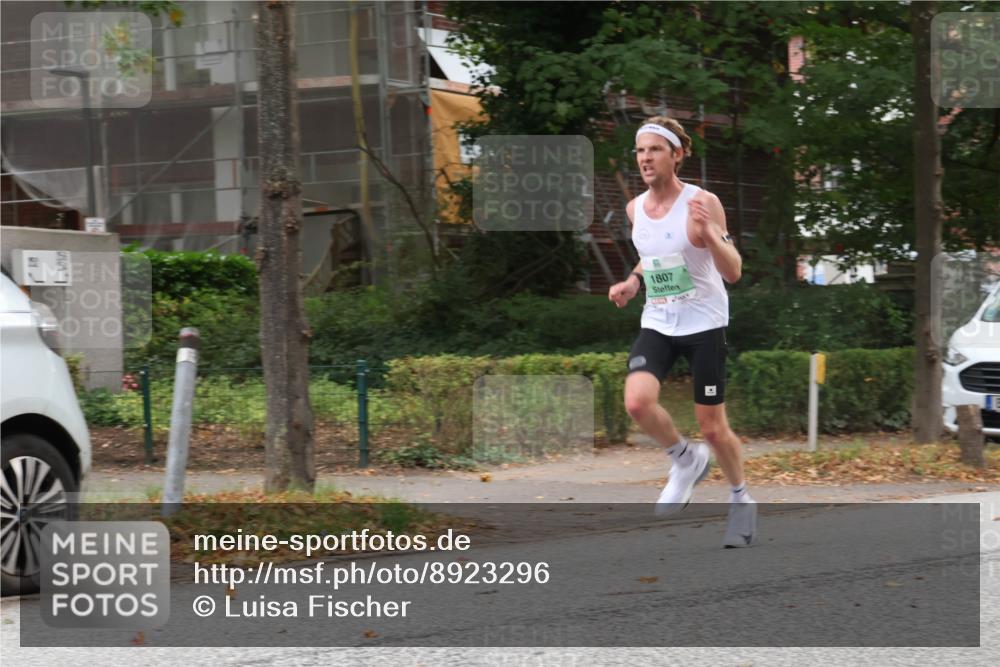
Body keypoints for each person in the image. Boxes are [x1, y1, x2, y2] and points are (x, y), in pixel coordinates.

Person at [608, 116, 756, 548]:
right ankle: (685, 461)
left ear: (677, 154)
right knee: (637, 402)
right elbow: (651, 255)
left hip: (705, 323)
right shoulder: (635, 209)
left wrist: (710, 232)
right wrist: (633, 281)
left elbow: (734, 272)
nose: (645, 158)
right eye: (640, 151)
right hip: (659, 320)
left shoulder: (703, 202)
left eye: (655, 149)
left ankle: (740, 498)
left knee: (713, 428)